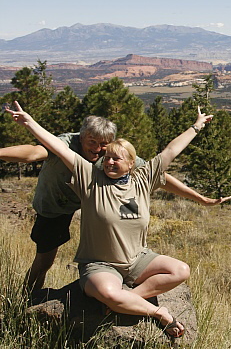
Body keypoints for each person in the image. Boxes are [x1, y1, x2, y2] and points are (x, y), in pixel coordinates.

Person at [7, 101, 214, 338]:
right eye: (107, 158)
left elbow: (171, 151)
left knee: (181, 270)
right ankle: (158, 313)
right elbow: (55, 146)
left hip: (138, 259)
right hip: (100, 265)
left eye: (116, 158)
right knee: (108, 293)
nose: (109, 161)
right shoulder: (90, 178)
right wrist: (29, 121)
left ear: (132, 164)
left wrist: (196, 126)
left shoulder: (143, 179)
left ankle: (129, 299)